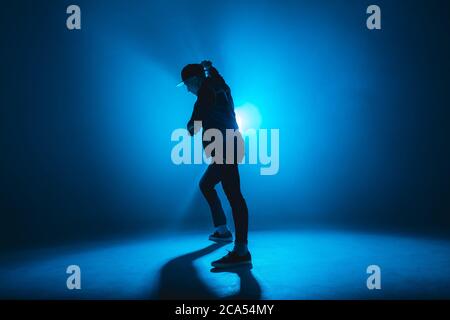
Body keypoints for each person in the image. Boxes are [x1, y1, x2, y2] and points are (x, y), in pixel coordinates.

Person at [177, 60, 251, 268]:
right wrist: (210, 68)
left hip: (224, 148)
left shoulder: (204, 94)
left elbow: (194, 127)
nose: (188, 90)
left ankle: (241, 250)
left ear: (194, 80)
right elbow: (218, 77)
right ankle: (222, 231)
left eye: (187, 85)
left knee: (234, 196)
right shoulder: (219, 84)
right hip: (232, 144)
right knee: (206, 184)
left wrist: (190, 125)